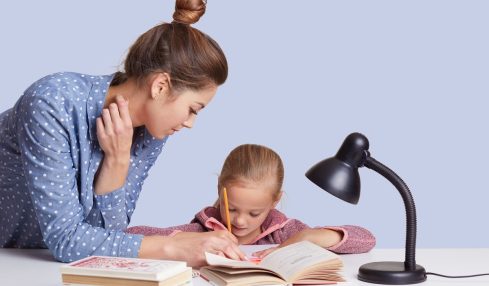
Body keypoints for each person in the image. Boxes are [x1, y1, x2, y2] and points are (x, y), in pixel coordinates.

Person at [0, 0, 246, 267]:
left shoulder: (151, 132)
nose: (190, 123)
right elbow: (67, 240)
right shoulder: (52, 103)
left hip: (33, 265)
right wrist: (174, 245)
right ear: (161, 86)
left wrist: (116, 162)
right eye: (192, 109)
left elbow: (108, 239)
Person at [126, 144, 376, 258]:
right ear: (219, 190)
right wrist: (182, 240)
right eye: (232, 208)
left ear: (275, 201)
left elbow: (366, 239)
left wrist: (311, 237)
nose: (240, 220)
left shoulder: (286, 231)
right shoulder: (202, 230)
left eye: (255, 213)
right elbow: (129, 236)